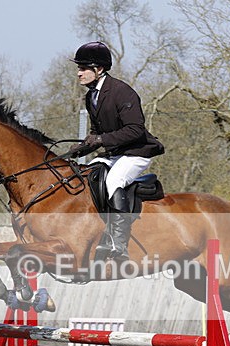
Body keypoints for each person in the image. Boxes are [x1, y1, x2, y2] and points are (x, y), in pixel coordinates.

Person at [69, 41, 164, 260]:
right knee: (85, 177)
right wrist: (85, 145)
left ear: (99, 69)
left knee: (113, 182)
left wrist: (101, 139)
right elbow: (97, 130)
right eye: (78, 68)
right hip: (114, 154)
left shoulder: (122, 92)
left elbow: (135, 129)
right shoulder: (90, 96)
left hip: (137, 152)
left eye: (83, 68)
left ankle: (119, 245)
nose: (79, 73)